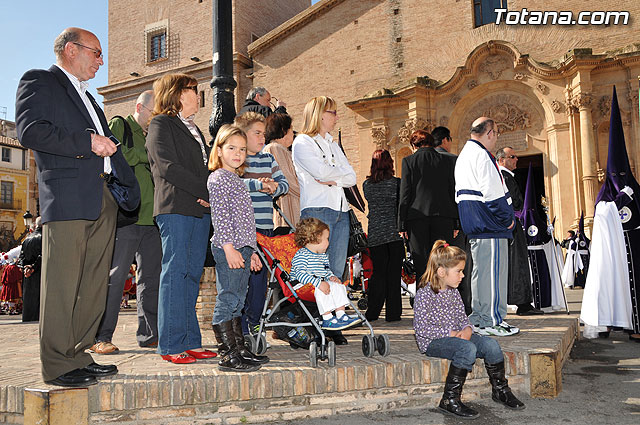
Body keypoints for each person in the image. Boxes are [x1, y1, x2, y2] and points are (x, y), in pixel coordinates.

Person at [15, 27, 139, 387]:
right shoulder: (40, 81)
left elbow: (107, 146)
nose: (101, 61)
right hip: (67, 197)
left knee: (93, 284)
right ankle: (56, 364)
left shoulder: (90, 99)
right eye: (96, 53)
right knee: (63, 284)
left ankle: (78, 354)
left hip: (103, 197)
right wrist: (86, 141)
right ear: (71, 49)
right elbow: (30, 131)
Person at [146, 73, 217, 364]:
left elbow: (203, 167)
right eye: (193, 89)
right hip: (175, 207)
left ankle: (190, 341)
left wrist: (211, 192)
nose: (198, 93)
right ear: (176, 93)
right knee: (175, 275)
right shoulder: (161, 123)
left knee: (191, 276)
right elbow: (167, 167)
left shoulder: (194, 129)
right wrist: (205, 190)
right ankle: (171, 344)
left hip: (198, 209)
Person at [413, 240, 525, 419]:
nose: (463, 275)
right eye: (458, 271)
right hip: (433, 342)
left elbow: (462, 317)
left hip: (458, 337)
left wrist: (467, 329)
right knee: (467, 349)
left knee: (491, 345)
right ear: (441, 272)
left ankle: (500, 390)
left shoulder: (453, 292)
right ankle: (449, 399)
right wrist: (450, 334)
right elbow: (421, 328)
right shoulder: (424, 295)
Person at [91, 90, 162, 355]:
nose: (155, 118)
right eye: (153, 112)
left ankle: (149, 335)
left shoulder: (151, 135)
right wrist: (150, 153)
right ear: (139, 107)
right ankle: (102, 335)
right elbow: (118, 157)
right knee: (116, 276)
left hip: (151, 218)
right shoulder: (121, 124)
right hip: (126, 215)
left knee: (150, 279)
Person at [581, 87, 640, 343]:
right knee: (612, 284)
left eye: (622, 176)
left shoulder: (635, 190)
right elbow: (602, 214)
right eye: (614, 177)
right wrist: (618, 200)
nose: (619, 180)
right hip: (613, 248)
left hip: (636, 246)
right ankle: (610, 322)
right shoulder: (605, 195)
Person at [455, 117, 519, 337]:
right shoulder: (482, 155)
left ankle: (481, 318)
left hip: (475, 222)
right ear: (490, 133)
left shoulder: (464, 155)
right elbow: (492, 193)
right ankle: (492, 320)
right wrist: (507, 219)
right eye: (497, 133)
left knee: (480, 273)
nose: (496, 139)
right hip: (490, 224)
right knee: (492, 273)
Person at [208, 124, 264, 372]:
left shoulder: (236, 179)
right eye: (231, 148)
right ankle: (227, 354)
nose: (238, 153)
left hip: (242, 248)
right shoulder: (219, 178)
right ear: (219, 150)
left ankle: (239, 347)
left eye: (242, 149)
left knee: (238, 299)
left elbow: (245, 221)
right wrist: (229, 248)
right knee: (228, 297)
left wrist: (250, 251)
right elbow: (221, 218)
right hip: (228, 247)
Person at [234, 112, 289, 336]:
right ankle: (239, 326)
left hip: (265, 230)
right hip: (244, 230)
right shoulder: (238, 158)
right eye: (257, 133)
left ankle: (255, 323)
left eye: (263, 134)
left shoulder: (268, 159)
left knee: (259, 281)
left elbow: (284, 184)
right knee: (240, 280)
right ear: (243, 134)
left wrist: (275, 187)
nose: (262, 138)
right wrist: (258, 184)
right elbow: (233, 183)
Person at [292, 96, 356, 279]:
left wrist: (335, 180)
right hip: (317, 209)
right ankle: (315, 309)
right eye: (333, 113)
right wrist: (337, 176)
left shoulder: (333, 145)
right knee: (315, 273)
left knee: (336, 271)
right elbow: (321, 172)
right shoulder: (303, 142)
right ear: (320, 115)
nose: (337, 118)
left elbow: (352, 178)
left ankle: (333, 307)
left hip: (341, 211)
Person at [398, 130, 458, 280]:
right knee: (442, 263)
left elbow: (405, 195)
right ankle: (442, 302)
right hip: (444, 217)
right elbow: (452, 192)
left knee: (421, 263)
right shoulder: (447, 161)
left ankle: (424, 302)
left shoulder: (409, 161)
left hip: (417, 218)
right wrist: (456, 222)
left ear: (414, 144)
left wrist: (401, 225)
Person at [496, 147, 543, 316]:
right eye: (512, 157)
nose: (516, 160)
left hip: (510, 224)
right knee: (518, 263)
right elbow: (513, 203)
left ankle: (520, 300)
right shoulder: (504, 177)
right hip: (511, 226)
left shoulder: (506, 177)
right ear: (501, 160)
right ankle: (522, 303)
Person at [291, 217, 361, 330]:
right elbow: (300, 274)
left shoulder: (322, 255)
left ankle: (341, 315)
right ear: (317, 238)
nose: (328, 242)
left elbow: (325, 270)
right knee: (321, 289)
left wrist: (331, 277)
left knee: (338, 286)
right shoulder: (302, 255)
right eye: (327, 239)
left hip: (318, 282)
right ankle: (327, 318)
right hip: (302, 285)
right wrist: (318, 283)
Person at [362, 149, 403, 322]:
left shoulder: (367, 185)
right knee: (393, 274)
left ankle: (373, 312)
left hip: (375, 233)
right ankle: (393, 313)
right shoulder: (397, 183)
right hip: (394, 233)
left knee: (378, 274)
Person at [264, 113, 300, 231]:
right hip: (287, 211)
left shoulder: (281, 149)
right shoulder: (275, 148)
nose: (293, 134)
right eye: (291, 130)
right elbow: (288, 180)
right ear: (284, 130)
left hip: (289, 209)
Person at [18, 217, 42, 322]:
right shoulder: (44, 238)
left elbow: (21, 258)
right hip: (40, 275)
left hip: (28, 277)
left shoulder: (26, 239)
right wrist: (33, 267)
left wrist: (25, 268)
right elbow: (44, 256)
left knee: (29, 303)